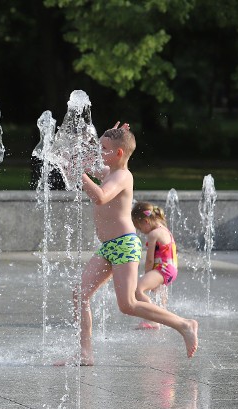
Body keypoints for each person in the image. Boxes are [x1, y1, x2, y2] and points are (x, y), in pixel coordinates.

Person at [55, 124, 198, 366]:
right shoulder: (108, 171)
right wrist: (70, 160)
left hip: (124, 245)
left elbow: (100, 196)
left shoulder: (122, 176)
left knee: (128, 304)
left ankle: (184, 325)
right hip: (108, 246)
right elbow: (84, 164)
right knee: (80, 294)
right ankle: (85, 353)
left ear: (119, 154)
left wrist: (79, 171)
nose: (99, 152)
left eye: (104, 149)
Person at [131, 201, 178, 330]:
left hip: (162, 268)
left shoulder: (153, 234)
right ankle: (163, 317)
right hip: (171, 269)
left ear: (146, 221)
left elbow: (150, 260)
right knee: (159, 292)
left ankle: (151, 320)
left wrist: (147, 274)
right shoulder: (165, 230)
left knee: (138, 289)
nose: (141, 231)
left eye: (140, 228)